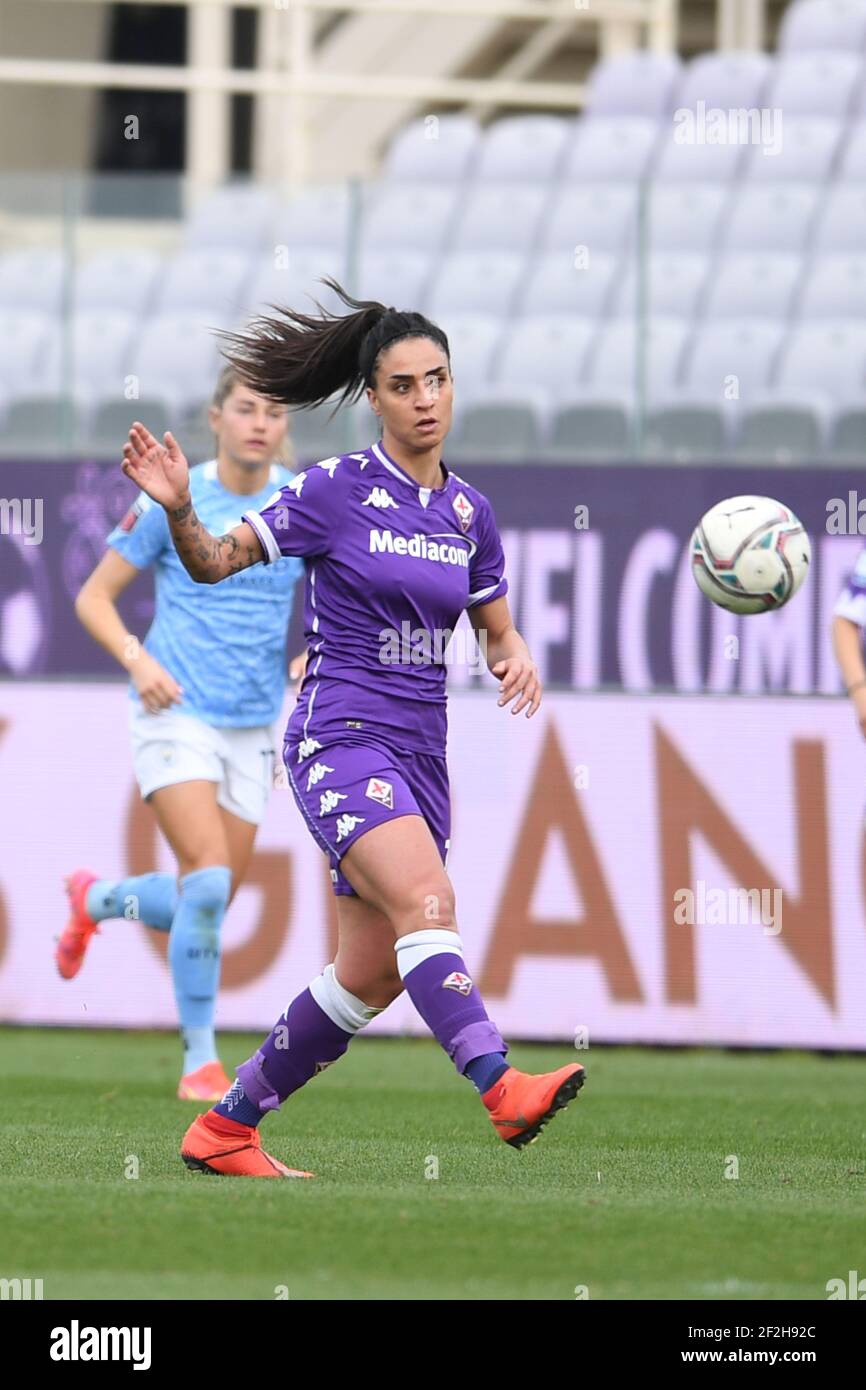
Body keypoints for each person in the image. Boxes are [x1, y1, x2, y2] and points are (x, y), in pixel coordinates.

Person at [120, 276, 586, 1177]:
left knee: (370, 972)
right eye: (404, 385)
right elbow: (215, 562)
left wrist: (514, 652)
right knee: (428, 904)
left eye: (438, 380)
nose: (425, 400)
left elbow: (496, 626)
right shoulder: (333, 491)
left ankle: (224, 1129)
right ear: (372, 398)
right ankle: (500, 1087)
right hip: (339, 737)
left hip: (422, 752)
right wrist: (181, 508)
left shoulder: (468, 514)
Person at [57, 366, 305, 1101]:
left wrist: (313, 646)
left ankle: (96, 901)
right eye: (246, 408)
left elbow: (337, 586)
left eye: (274, 411)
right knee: (208, 880)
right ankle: (200, 1062)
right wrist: (138, 663)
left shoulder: (297, 501)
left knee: (210, 899)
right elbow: (94, 598)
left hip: (255, 722)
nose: (261, 422)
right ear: (217, 418)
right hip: (178, 711)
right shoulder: (174, 493)